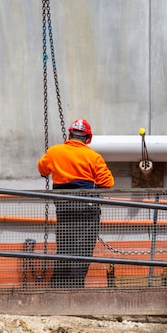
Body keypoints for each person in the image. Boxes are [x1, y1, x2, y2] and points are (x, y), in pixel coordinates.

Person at [38, 118, 114, 287]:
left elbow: (42, 169)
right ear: (88, 138)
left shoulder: (54, 152)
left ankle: (58, 287)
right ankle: (75, 287)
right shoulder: (93, 157)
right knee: (83, 248)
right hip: (87, 207)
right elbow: (107, 183)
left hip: (64, 206)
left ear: (70, 135)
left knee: (64, 246)